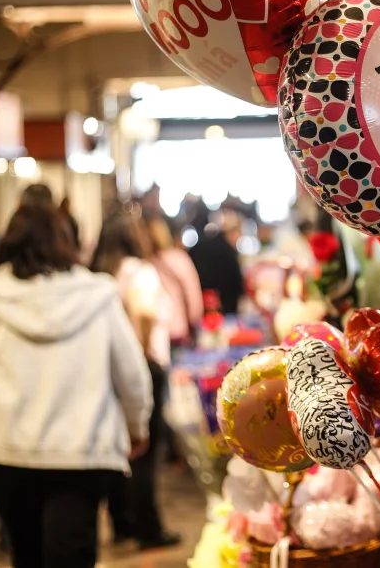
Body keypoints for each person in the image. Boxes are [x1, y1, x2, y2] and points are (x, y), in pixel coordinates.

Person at [0, 206, 152, 568]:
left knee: (26, 553)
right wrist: (136, 426)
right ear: (66, 241)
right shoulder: (97, 295)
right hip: (83, 454)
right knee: (73, 553)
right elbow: (132, 374)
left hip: (4, 455)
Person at [91, 213, 180, 550]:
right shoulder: (139, 272)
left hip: (105, 367)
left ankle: (122, 524)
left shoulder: (100, 272)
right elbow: (143, 313)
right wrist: (141, 355)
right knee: (144, 449)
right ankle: (148, 527)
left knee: (117, 448)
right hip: (143, 365)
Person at [145, 217, 202, 347]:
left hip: (156, 337)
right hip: (179, 332)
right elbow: (194, 299)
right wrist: (193, 323)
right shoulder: (179, 259)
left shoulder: (144, 265)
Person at [189, 210, 244, 315]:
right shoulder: (229, 252)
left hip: (201, 305)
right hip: (224, 309)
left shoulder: (200, 246)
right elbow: (237, 285)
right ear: (233, 232)